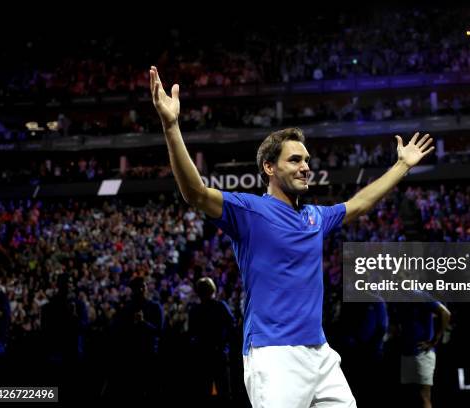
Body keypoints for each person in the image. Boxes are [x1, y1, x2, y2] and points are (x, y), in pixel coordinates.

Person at [150, 65, 434, 408]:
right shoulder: (249, 211)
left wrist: (402, 165)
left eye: (307, 160)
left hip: (321, 354)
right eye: (295, 159)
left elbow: (359, 203)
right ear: (270, 168)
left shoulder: (316, 216)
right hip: (274, 354)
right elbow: (195, 192)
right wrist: (171, 126)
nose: (305, 166)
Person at [188, 276, 236, 404]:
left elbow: (191, 333)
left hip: (202, 354)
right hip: (219, 353)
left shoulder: (194, 310)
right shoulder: (220, 306)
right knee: (224, 390)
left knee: (204, 391)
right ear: (212, 289)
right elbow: (232, 326)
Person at [394, 301, 451, 408]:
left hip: (422, 353)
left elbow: (445, 313)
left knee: (423, 396)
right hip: (407, 352)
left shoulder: (419, 295)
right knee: (411, 396)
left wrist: (434, 340)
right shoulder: (400, 298)